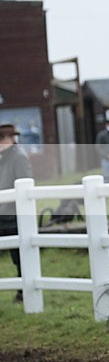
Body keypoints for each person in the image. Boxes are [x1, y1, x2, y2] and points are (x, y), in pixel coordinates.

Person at [0, 123, 33, 302]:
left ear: (11, 139)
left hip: (14, 214)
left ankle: (24, 291)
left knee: (20, 255)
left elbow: (25, 183)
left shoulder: (19, 157)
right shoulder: (4, 156)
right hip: (4, 213)